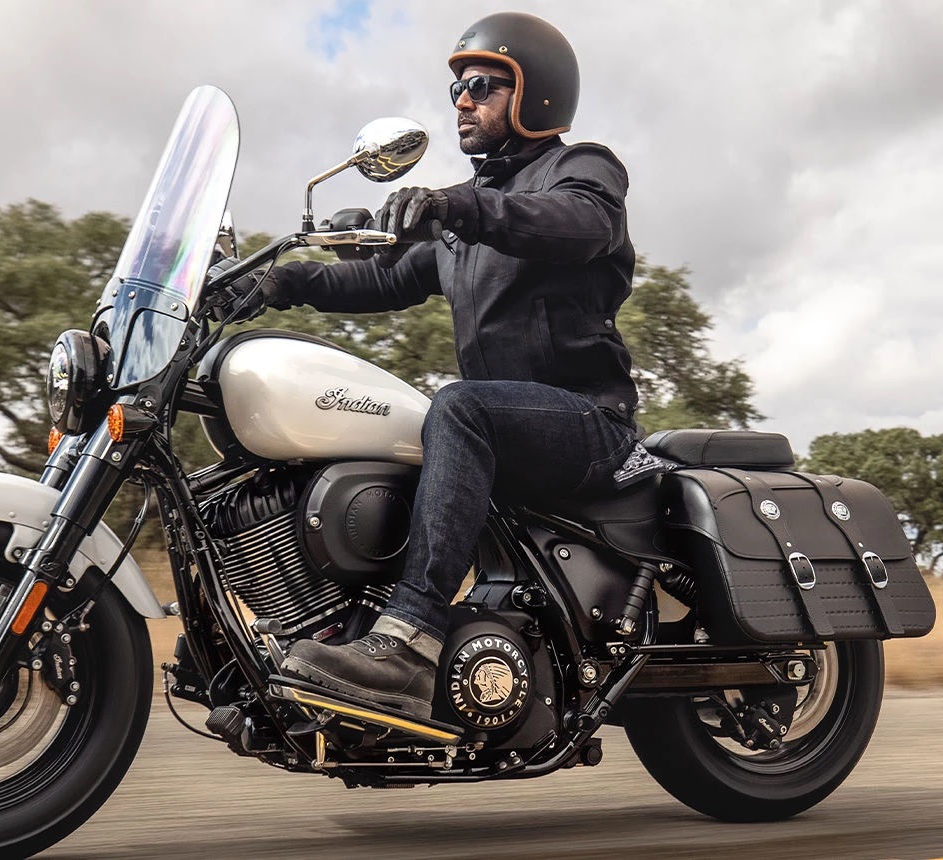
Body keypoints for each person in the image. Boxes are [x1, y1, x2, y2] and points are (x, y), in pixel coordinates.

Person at [264, 11, 668, 720]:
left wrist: (460, 205)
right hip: (513, 430)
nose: (462, 102)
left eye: (482, 85)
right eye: (456, 88)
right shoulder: (463, 228)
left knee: (461, 404)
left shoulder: (580, 169)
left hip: (587, 424)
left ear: (535, 94)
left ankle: (411, 643)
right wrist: (277, 284)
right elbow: (384, 281)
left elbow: (583, 223)